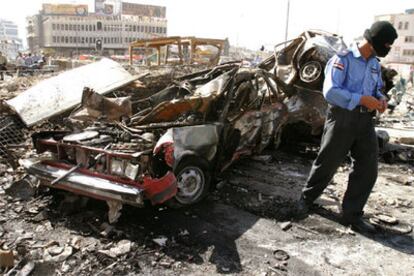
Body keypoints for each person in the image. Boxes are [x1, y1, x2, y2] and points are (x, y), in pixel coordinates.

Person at [298, 21, 398, 233]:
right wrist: (362, 99)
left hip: (365, 122)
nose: (388, 50)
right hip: (342, 118)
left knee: (368, 169)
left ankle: (352, 215)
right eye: (387, 45)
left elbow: (377, 88)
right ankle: (305, 200)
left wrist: (381, 99)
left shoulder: (373, 64)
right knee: (327, 163)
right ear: (374, 43)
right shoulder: (342, 59)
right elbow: (331, 92)